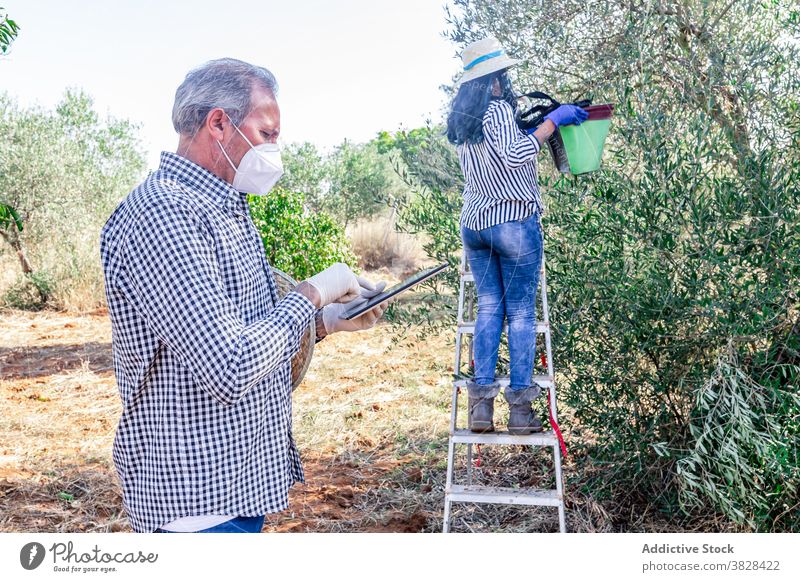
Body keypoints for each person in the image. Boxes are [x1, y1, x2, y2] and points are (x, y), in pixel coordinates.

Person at [100, 58, 388, 533]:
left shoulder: (223, 207)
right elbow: (230, 366)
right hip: (195, 505)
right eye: (268, 133)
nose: (275, 148)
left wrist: (325, 322)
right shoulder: (166, 214)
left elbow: (243, 330)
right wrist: (310, 295)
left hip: (233, 487)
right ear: (218, 122)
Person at [446, 38, 587, 434]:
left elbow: (490, 161)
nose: (505, 83)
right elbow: (515, 156)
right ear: (492, 81)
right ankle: (522, 413)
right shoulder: (497, 111)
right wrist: (551, 122)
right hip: (512, 221)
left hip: (475, 223)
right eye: (502, 76)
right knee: (521, 312)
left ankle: (480, 409)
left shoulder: (463, 120)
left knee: (490, 306)